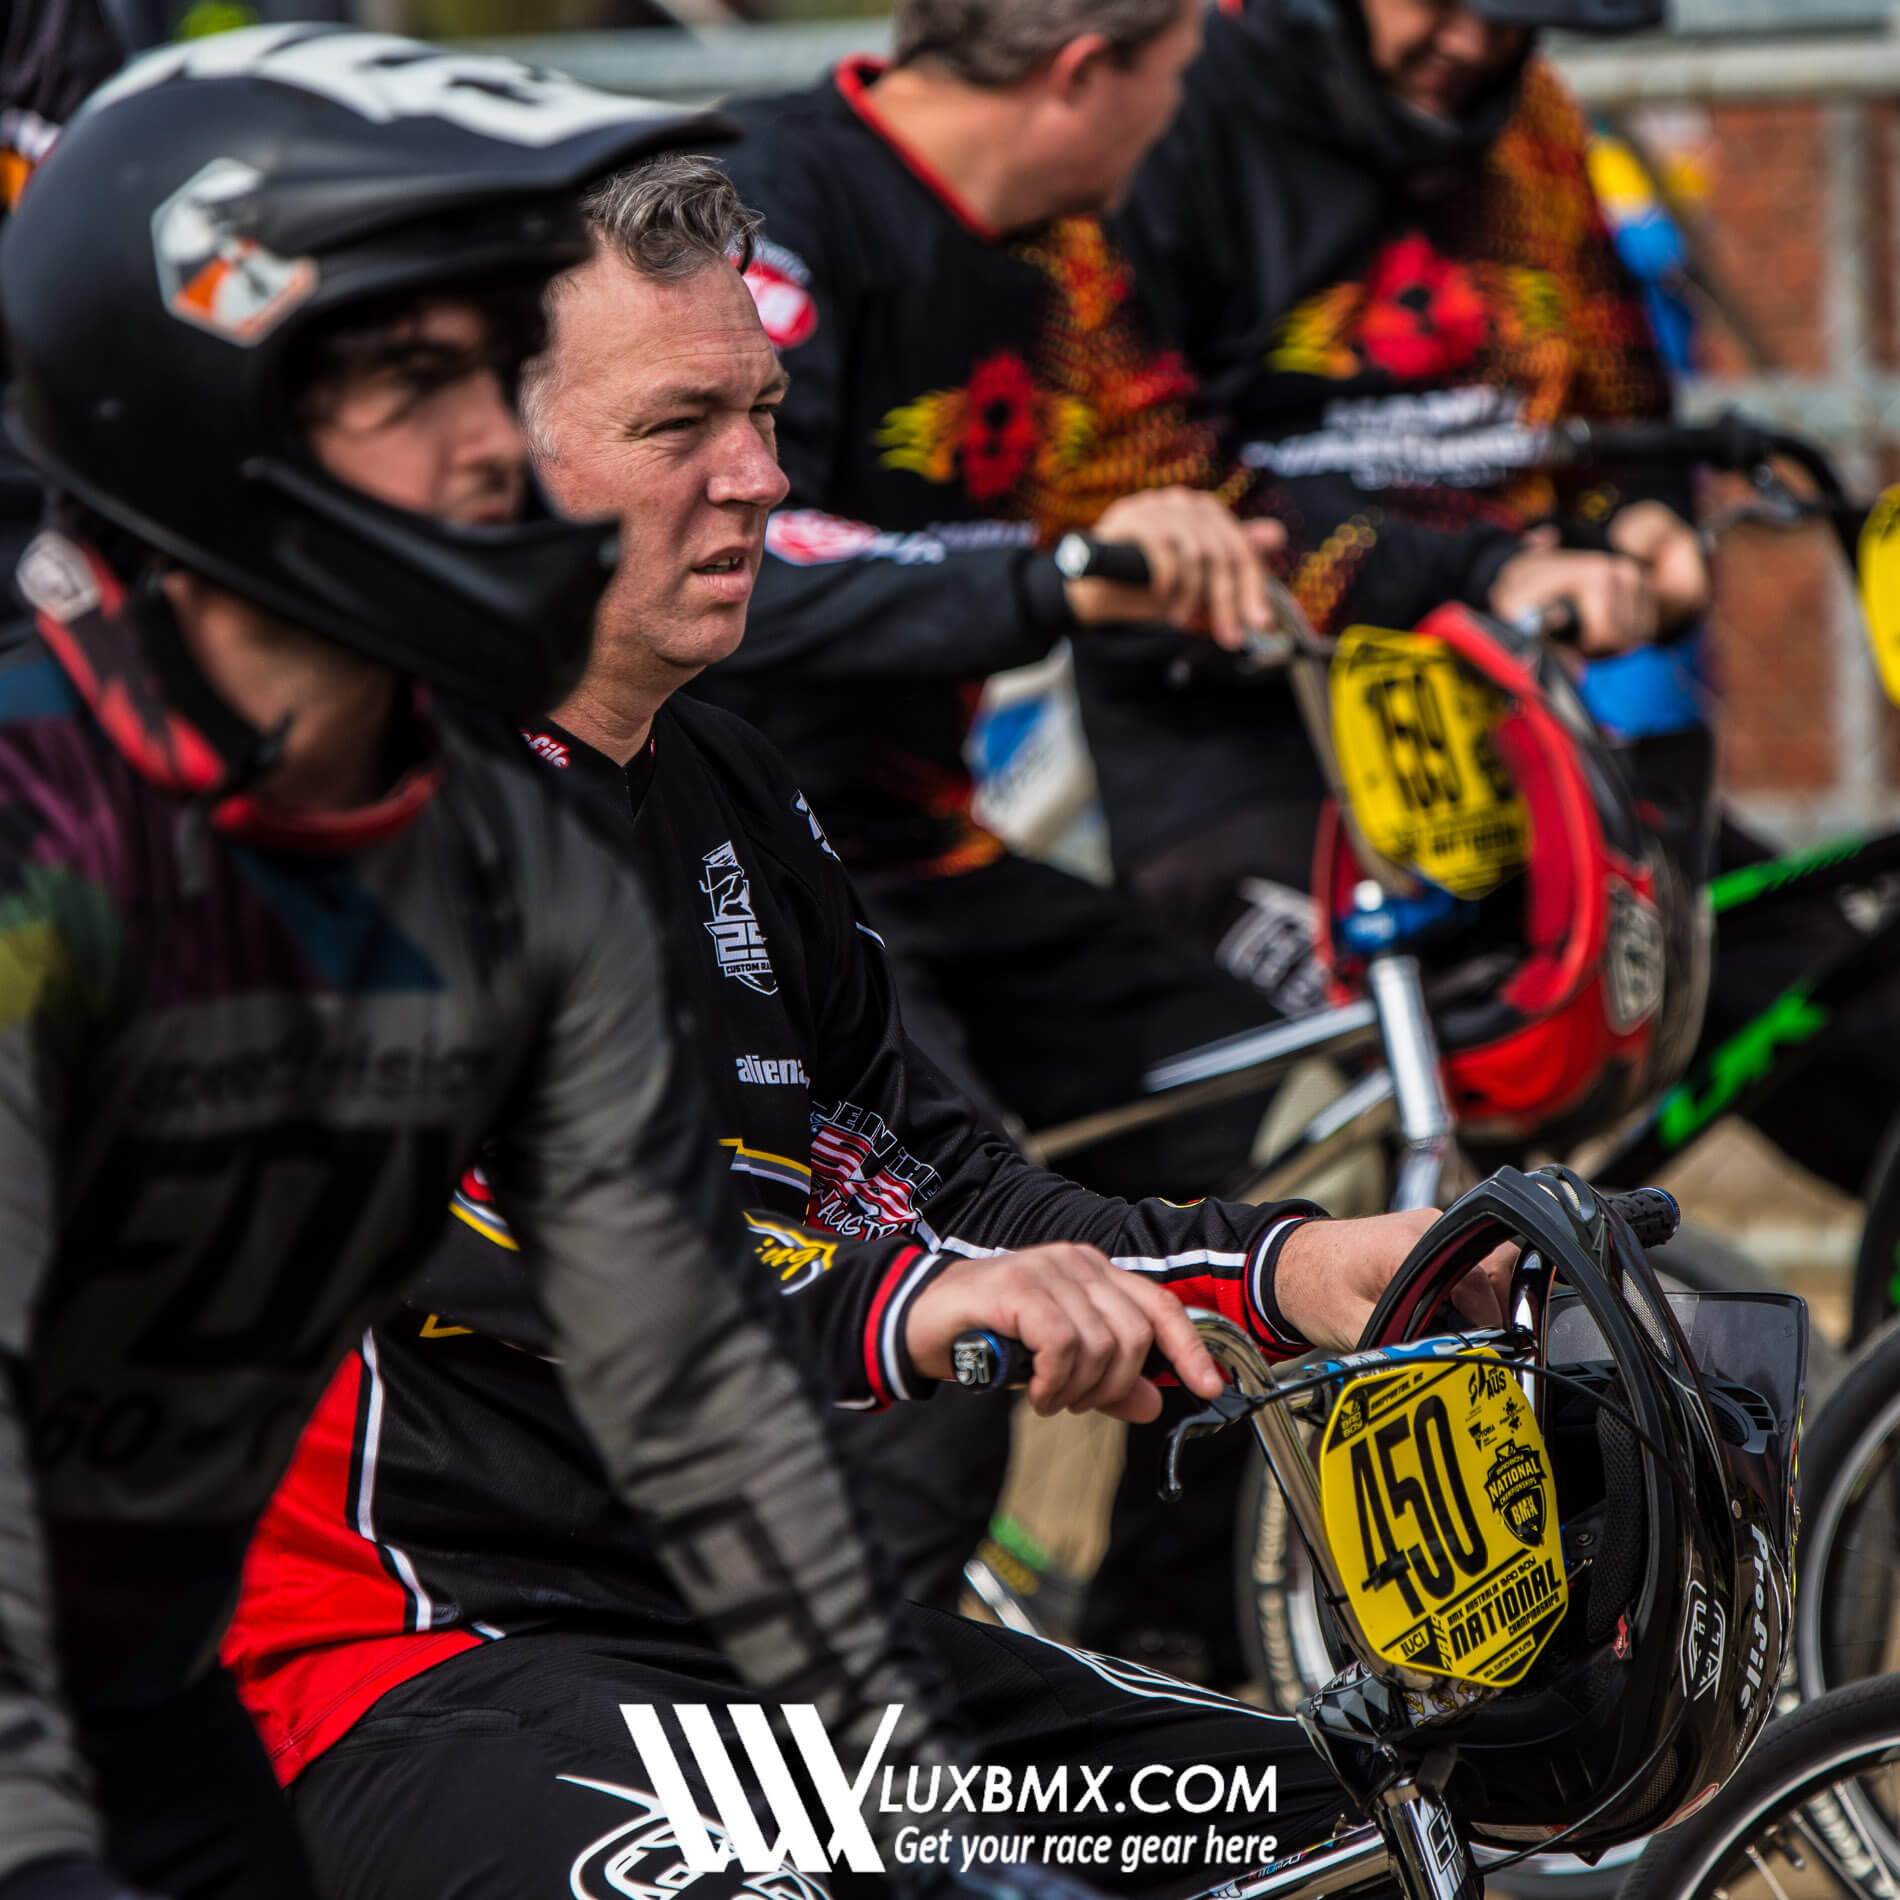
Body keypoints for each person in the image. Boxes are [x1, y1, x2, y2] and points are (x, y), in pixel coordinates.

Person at [218, 151, 1524, 1899]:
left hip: (747, 1652)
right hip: (407, 1671)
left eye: (763, 411)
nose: (761, 476)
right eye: (683, 425)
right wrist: (915, 1311)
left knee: (1349, 1828)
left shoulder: (731, 786)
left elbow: (928, 1192)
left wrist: (1290, 1273)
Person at [0, 30, 1043, 1898]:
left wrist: (1280, 1275)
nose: (748, 485)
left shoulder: (648, 779)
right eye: (420, 402)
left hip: (651, 1640)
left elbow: (883, 1176)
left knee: (1262, 1809)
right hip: (335, 1681)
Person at [698, 0, 1667, 1681]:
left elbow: (1205, 487)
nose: (1186, 120)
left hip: (930, 850)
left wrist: (1472, 573)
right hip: (748, 863)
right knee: (931, 1318)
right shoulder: (781, 203)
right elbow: (750, 553)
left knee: (1267, 1096)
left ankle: (1168, 1629)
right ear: (1087, 73)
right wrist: (1061, 575)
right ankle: (833, 1754)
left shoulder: (1054, 256)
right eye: (1171, 79)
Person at [1108, 0, 1900, 1208]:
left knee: (1844, 1016)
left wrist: (1642, 518)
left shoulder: (1528, 123)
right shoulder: (1174, 111)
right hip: (1251, 759)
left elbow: (1616, 385)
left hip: (1513, 741)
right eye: (1443, 1)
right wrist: (1484, 573)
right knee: (1383, 1169)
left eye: (1515, 15)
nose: (1472, 43)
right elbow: (1147, 474)